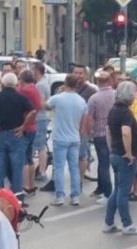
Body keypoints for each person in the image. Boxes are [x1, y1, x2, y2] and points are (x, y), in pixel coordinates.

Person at [0, 73, 36, 201]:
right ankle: (17, 196)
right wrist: (24, 126)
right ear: (16, 84)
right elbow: (32, 111)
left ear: (3, 84)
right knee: (16, 167)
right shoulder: (20, 98)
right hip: (16, 134)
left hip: (0, 134)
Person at [102, 81, 137, 235]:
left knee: (118, 190)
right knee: (123, 192)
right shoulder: (125, 112)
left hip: (115, 153)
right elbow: (126, 132)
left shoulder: (114, 110)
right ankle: (127, 224)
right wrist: (128, 153)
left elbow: (107, 131)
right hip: (124, 156)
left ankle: (108, 222)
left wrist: (111, 147)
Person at [45, 74, 88, 206]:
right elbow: (83, 123)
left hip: (60, 137)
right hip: (75, 137)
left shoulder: (57, 98)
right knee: (74, 168)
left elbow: (46, 106)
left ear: (65, 83)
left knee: (59, 168)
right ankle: (75, 196)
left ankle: (60, 196)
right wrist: (80, 136)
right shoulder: (82, 101)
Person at [86, 71, 116, 201]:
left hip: (100, 133)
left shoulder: (94, 98)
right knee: (115, 163)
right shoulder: (117, 95)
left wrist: (89, 131)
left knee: (103, 163)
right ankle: (112, 190)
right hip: (115, 133)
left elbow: (90, 118)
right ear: (110, 81)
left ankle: (107, 193)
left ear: (98, 82)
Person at [16, 70, 41, 195]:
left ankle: (26, 186)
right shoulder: (35, 89)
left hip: (25, 125)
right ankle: (31, 184)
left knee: (24, 158)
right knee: (29, 156)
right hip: (33, 125)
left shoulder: (24, 90)